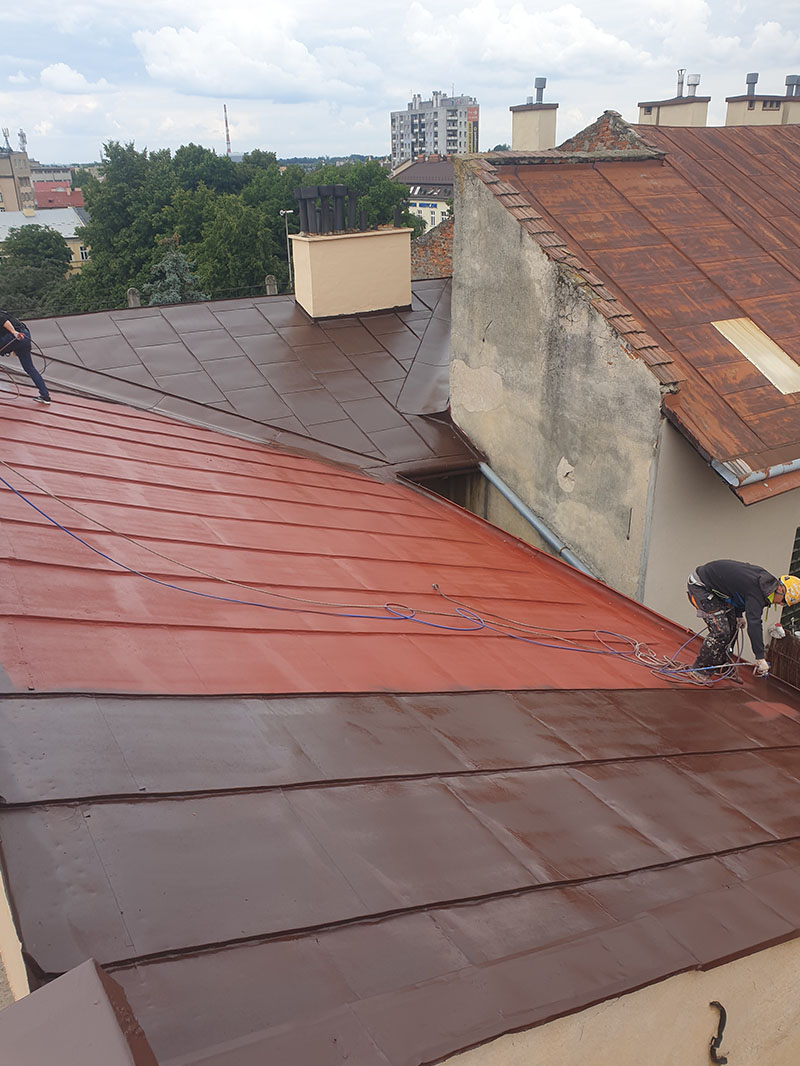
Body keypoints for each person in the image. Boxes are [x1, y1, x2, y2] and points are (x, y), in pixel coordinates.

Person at [687, 560, 800, 679]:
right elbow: (755, 624)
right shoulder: (758, 591)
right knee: (721, 632)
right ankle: (699, 670)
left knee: (733, 627)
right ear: (781, 589)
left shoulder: (766, 585)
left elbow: (740, 592)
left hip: (716, 589)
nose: (781, 604)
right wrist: (760, 657)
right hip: (700, 586)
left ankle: (721, 666)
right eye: (784, 601)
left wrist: (738, 615)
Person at [0, 310, 50, 405]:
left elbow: (3, 321)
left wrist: (14, 333)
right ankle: (45, 396)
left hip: (14, 336)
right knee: (29, 368)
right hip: (24, 336)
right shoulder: (5, 313)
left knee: (29, 367)